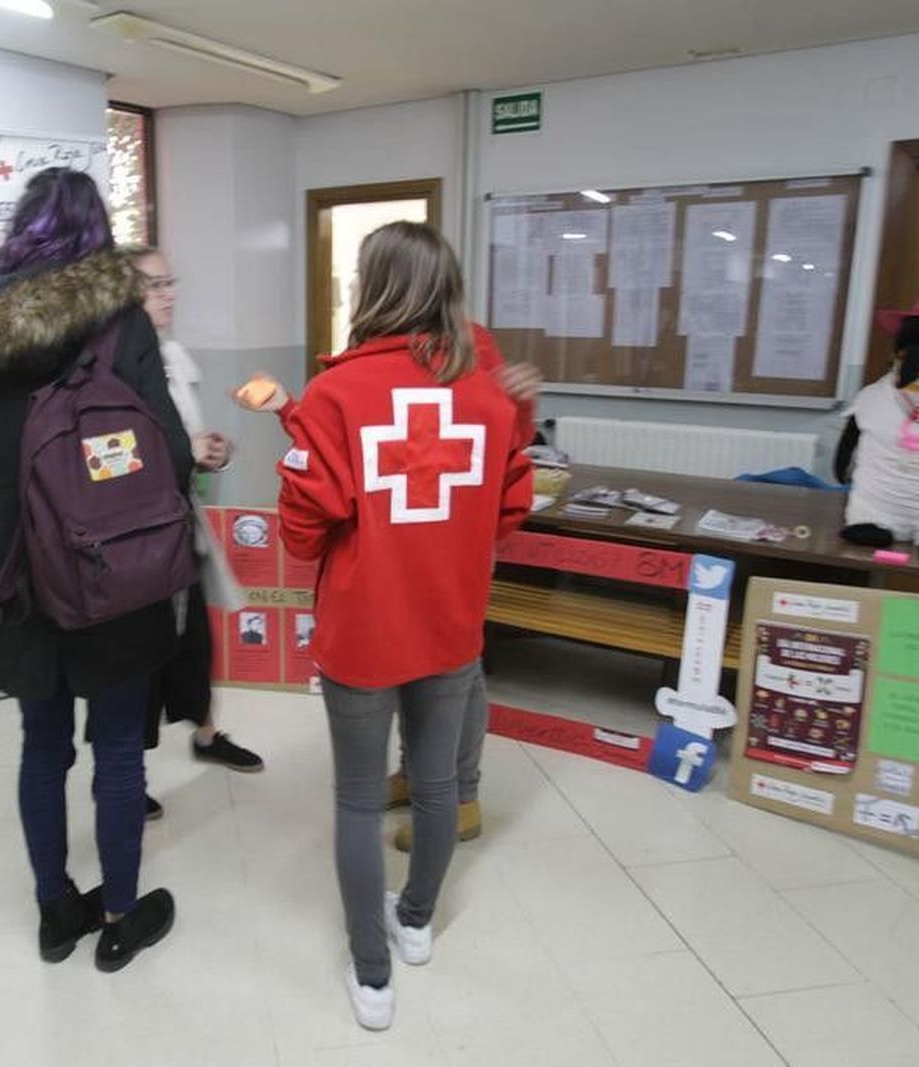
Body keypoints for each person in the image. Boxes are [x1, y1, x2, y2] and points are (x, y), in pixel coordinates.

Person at [0, 168, 187, 972]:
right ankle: (118, 913)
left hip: (15, 575)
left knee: (42, 746)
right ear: (96, 232)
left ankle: (52, 910)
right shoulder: (120, 322)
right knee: (117, 748)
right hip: (115, 571)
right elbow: (169, 450)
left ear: (20, 228)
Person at [274, 221, 532, 1029]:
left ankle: (373, 973)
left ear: (371, 288)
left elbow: (303, 527)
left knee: (356, 799)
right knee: (437, 786)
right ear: (448, 292)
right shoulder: (488, 397)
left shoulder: (334, 396)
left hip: (362, 631)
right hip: (450, 624)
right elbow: (510, 509)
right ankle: (416, 922)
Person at [238, 293, 539, 858]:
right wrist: (286, 407)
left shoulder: (471, 344)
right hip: (393, 544)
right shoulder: (367, 356)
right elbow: (350, 445)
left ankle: (461, 798)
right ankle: (417, 776)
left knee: (454, 669)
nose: (354, 296)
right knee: (407, 661)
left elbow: (506, 446)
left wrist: (523, 406)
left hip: (449, 547)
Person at [120, 246, 265, 812]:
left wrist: (215, 453)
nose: (169, 293)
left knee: (195, 642)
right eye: (155, 285)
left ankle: (207, 735)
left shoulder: (174, 358)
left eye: (170, 282)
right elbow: (125, 461)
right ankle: (125, 773)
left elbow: (188, 443)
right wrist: (186, 456)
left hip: (181, 526)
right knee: (140, 655)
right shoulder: (112, 369)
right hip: (136, 540)